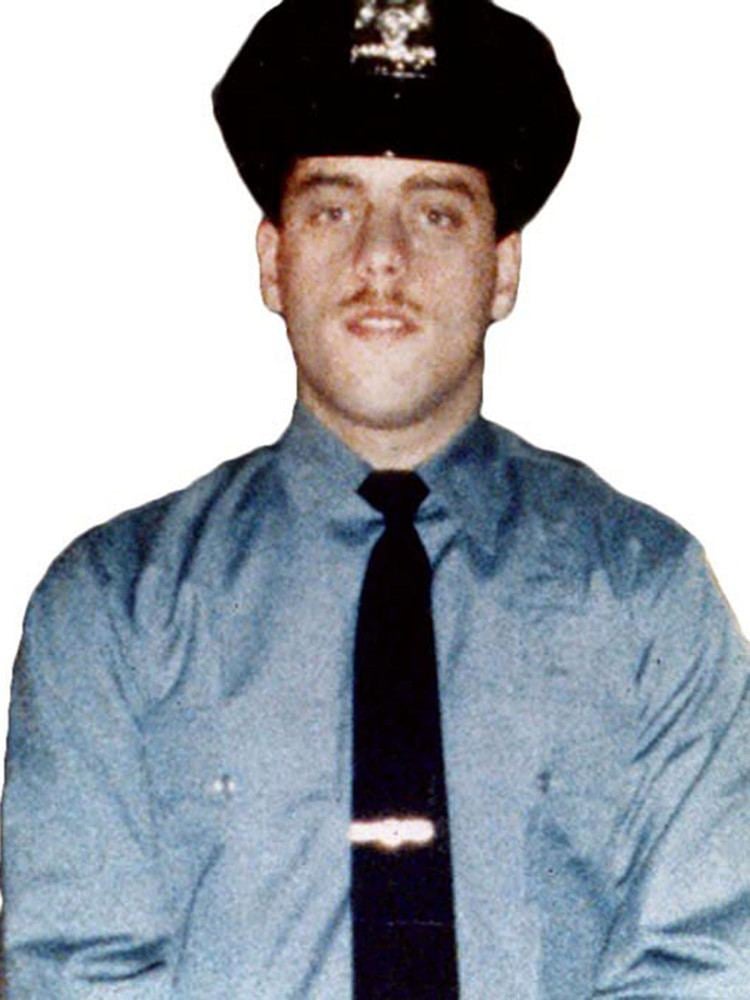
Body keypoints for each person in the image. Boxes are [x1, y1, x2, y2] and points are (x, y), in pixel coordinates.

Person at [3, 0, 749, 996]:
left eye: (436, 207)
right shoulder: (112, 612)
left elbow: (711, 959)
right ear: (273, 258)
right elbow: (73, 969)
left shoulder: (650, 598)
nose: (381, 255)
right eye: (333, 206)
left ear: (504, 268)